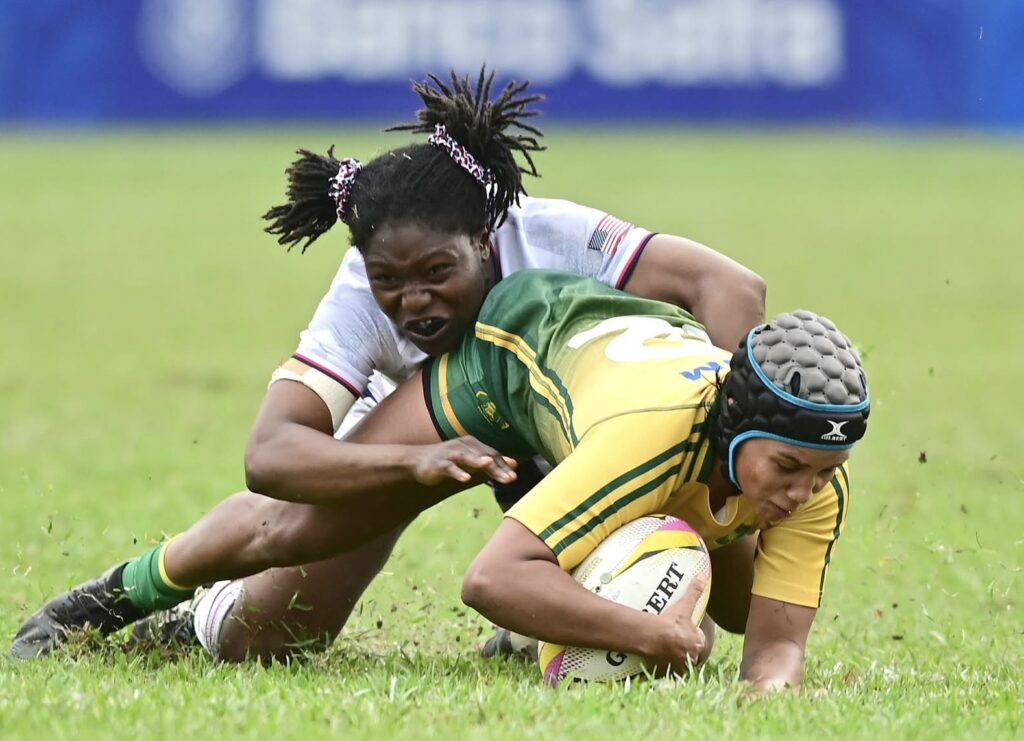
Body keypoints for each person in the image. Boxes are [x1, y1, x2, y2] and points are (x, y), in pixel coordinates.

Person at [10, 70, 766, 662]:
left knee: (735, 598)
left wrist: (723, 434)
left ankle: (544, 623)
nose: (413, 300)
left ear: (484, 235)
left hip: (576, 419)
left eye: (437, 270)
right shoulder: (361, 295)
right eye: (389, 281)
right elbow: (271, 453)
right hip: (423, 423)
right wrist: (413, 462)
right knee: (271, 633)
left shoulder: (552, 235)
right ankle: (109, 601)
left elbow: (729, 286)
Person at [318, 269, 870, 690]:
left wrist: (770, 694)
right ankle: (225, 569)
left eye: (826, 472)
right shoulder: (653, 436)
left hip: (620, 397)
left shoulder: (817, 484)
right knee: (288, 549)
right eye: (788, 468)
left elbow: (774, 649)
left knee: (735, 610)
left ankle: (539, 623)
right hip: (512, 357)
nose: (805, 493)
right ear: (739, 428)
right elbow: (490, 579)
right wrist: (650, 635)